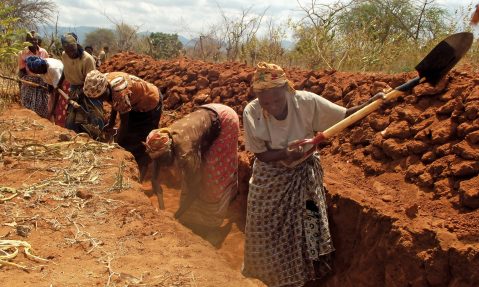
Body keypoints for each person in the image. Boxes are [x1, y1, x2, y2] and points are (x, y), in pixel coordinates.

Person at [241, 62, 383, 287]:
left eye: (276, 99)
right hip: (270, 175)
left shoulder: (306, 102)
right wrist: (286, 153)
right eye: (265, 102)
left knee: (308, 224)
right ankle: (266, 277)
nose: (272, 106)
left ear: (287, 89)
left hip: (304, 172)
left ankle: (304, 276)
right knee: (263, 226)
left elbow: (344, 116)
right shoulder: (252, 112)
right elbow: (261, 155)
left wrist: (371, 104)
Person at [145, 103, 239, 232]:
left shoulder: (185, 153)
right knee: (194, 174)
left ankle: (209, 223)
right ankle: (190, 218)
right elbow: (156, 162)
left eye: (165, 159)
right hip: (206, 116)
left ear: (171, 149)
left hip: (225, 120)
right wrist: (156, 186)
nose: (164, 163)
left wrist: (177, 215)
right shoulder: (161, 140)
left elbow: (194, 187)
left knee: (211, 176)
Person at [83, 70, 163, 180]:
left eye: (100, 97)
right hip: (133, 104)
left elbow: (125, 124)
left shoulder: (119, 90)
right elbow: (115, 104)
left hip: (149, 103)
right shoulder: (104, 81)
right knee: (129, 138)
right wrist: (111, 124)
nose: (100, 100)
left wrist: (115, 145)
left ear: (105, 88)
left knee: (140, 140)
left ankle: (142, 170)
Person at [61, 33, 104, 135]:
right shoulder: (64, 55)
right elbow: (65, 70)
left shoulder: (87, 59)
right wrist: (59, 84)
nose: (70, 53)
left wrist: (80, 93)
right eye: (68, 51)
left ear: (76, 45)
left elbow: (91, 80)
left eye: (72, 49)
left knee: (94, 116)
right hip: (74, 88)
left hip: (90, 88)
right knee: (72, 119)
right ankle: (75, 135)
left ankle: (98, 137)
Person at [25, 56, 69, 126]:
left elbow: (58, 89)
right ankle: (52, 121)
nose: (38, 73)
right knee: (50, 102)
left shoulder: (54, 69)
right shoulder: (40, 65)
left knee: (61, 105)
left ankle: (61, 125)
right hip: (54, 83)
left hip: (64, 83)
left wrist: (52, 110)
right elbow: (50, 83)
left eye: (39, 72)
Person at [17, 31, 50, 119]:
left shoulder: (43, 52)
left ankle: (42, 121)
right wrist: (24, 82)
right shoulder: (22, 53)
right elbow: (22, 71)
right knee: (28, 104)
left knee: (42, 104)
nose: (34, 42)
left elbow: (48, 68)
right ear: (27, 41)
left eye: (35, 40)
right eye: (31, 40)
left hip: (42, 81)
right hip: (29, 81)